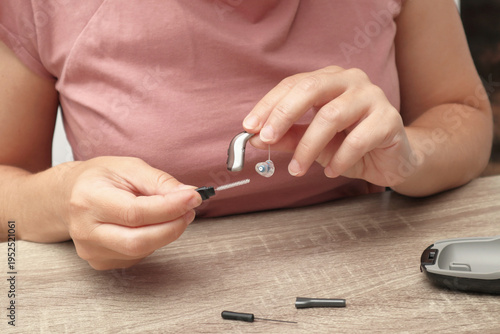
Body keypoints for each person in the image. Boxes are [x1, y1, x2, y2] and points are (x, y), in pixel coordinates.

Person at [0, 0, 492, 270]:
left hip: (372, 263)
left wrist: (411, 156)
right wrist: (61, 200)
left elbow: (463, 112)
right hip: (146, 294)